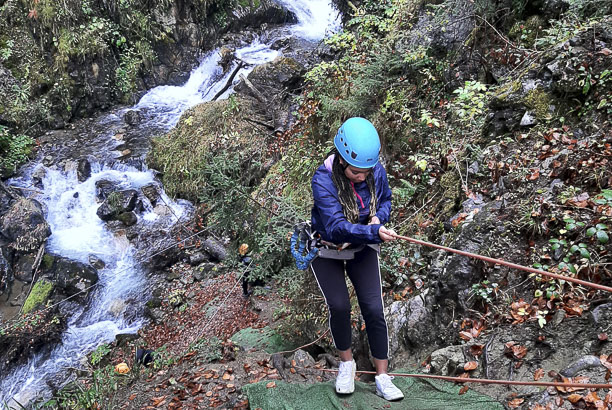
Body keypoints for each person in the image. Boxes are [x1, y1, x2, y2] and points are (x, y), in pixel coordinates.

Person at [310, 117, 404, 401]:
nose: (362, 177)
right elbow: (336, 228)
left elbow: (385, 199)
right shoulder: (322, 179)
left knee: (374, 309)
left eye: (366, 171)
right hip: (328, 247)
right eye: (355, 172)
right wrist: (373, 231)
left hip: (362, 245)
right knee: (339, 306)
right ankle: (346, 364)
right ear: (340, 159)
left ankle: (383, 376)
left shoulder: (375, 170)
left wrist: (379, 217)